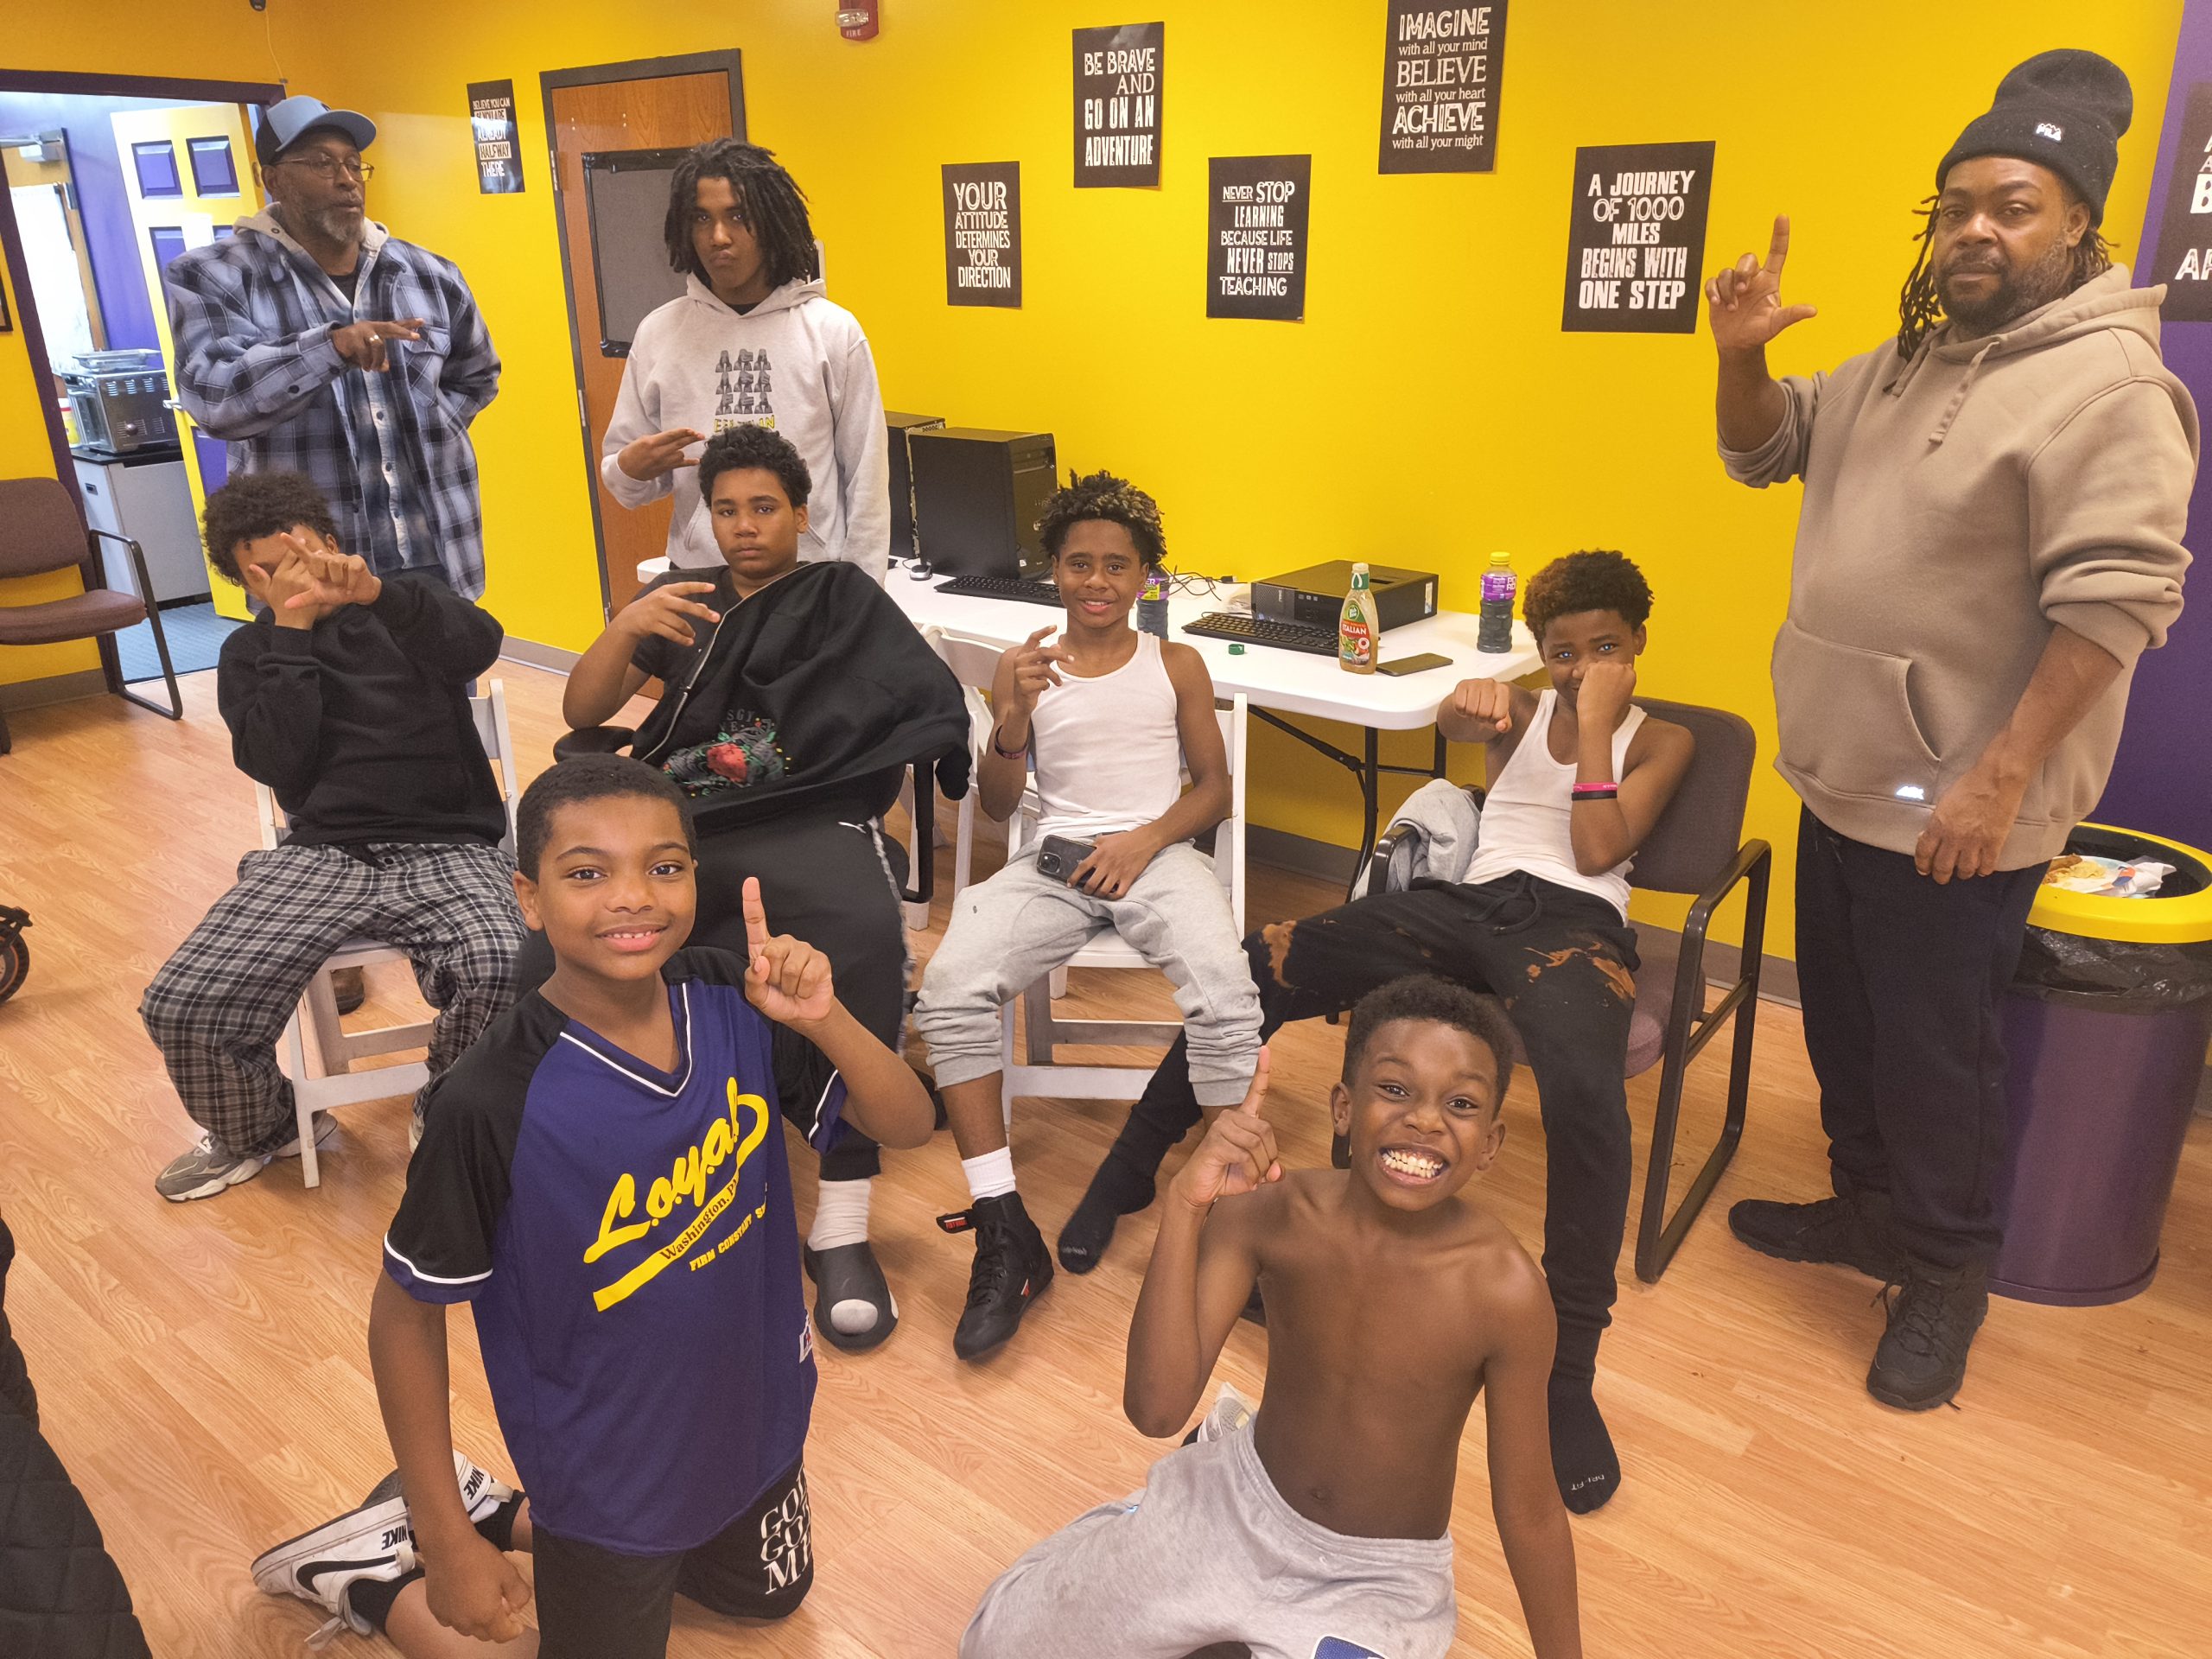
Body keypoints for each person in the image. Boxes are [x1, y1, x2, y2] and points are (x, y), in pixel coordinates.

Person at [1706, 48, 2194, 1409]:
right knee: (1850, 1033)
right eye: (1959, 205)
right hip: (1844, 776)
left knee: (1939, 1065)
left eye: (2015, 206)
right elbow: (1767, 447)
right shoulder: (1914, 358)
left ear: (2078, 224)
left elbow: (2116, 604)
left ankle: (1943, 1276)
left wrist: (2001, 779)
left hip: (1958, 810)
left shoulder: (2112, 387)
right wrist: (1743, 361)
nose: (1978, 228)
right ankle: (1867, 1213)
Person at [250, 756, 935, 1657]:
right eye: (587, 873)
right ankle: (377, 1577)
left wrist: (823, 1019)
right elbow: (405, 1316)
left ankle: (499, 1513)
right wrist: (445, 1542)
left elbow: (908, 1125)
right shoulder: (492, 1098)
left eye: (664, 866)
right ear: (529, 900)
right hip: (607, 1479)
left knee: (768, 1601)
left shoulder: (731, 996)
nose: (633, 896)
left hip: (758, 1415)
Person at [1060, 550, 1694, 1513]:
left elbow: (1597, 845)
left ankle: (1568, 1371)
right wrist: (1467, 712)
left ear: (1637, 643)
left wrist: (1599, 722)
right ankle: (1130, 1167)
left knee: (1586, 1097)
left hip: (1575, 927)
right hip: (1469, 904)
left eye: (1603, 649)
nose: (1579, 673)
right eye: (1562, 654)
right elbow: (1459, 723)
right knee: (1257, 965)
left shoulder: (1663, 740)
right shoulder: (1527, 711)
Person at [963, 978, 1582, 1659]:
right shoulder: (1269, 1212)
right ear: (1344, 1108)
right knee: (995, 1645)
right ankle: (1208, 1469)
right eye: (1395, 1088)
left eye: (1460, 1103)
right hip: (1238, 1503)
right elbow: (1155, 1410)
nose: (1426, 1120)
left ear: (1491, 1143)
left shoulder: (1507, 1293)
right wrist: (1186, 1206)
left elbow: (1529, 1511)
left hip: (1376, 1582)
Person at [554, 422, 969, 1351]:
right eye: (727, 509)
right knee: (600, 937)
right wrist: (625, 628)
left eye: (765, 508)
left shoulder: (839, 596)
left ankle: (843, 1222)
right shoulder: (683, 602)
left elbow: (909, 697)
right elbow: (584, 710)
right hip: (685, 824)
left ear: (800, 514)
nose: (745, 526)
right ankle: (661, 1171)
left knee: (860, 929)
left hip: (812, 814)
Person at [912, 470, 1262, 1360]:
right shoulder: (1023, 666)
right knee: (947, 989)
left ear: (1144, 576)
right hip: (1055, 862)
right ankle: (1001, 1221)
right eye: (1078, 564)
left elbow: (1213, 789)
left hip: (1157, 854)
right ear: (1054, 570)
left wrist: (1144, 840)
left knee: (1227, 994)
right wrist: (1012, 716)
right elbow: (997, 805)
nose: (1096, 582)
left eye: (1116, 565)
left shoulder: (1174, 664)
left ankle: (1237, 1219)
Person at [139, 472, 523, 1201]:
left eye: (299, 556)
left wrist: (377, 595)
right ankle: (272, 1128)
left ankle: (452, 1109)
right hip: (322, 854)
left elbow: (477, 646)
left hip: (450, 843)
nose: (289, 578)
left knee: (506, 963)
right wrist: (291, 634)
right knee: (183, 1003)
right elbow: (277, 762)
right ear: (244, 583)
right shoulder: (251, 651)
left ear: (333, 543)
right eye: (264, 571)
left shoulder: (404, 602)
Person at [167, 95, 500, 598]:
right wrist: (330, 348)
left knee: (451, 655)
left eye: (353, 164)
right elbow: (214, 401)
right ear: (272, 178)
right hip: (308, 571)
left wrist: (429, 430)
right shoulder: (214, 275)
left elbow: (477, 376)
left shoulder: (429, 274)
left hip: (437, 555)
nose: (347, 180)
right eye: (322, 163)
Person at [601, 139, 890, 582]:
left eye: (738, 216)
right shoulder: (659, 333)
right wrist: (630, 468)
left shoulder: (833, 331)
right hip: (699, 579)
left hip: (809, 579)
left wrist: (862, 596)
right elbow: (627, 483)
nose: (718, 236)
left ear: (771, 222)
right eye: (702, 218)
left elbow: (867, 481)